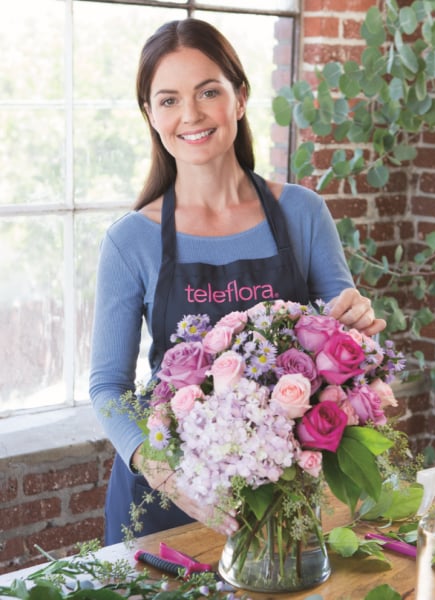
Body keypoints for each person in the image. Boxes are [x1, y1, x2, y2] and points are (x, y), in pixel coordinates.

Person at [89, 18, 386, 546]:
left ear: (240, 97)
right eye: (169, 100)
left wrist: (357, 326)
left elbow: (345, 348)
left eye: (208, 91)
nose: (192, 115)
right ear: (150, 115)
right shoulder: (129, 240)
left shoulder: (302, 212)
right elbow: (108, 388)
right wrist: (169, 476)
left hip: (281, 494)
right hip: (167, 504)